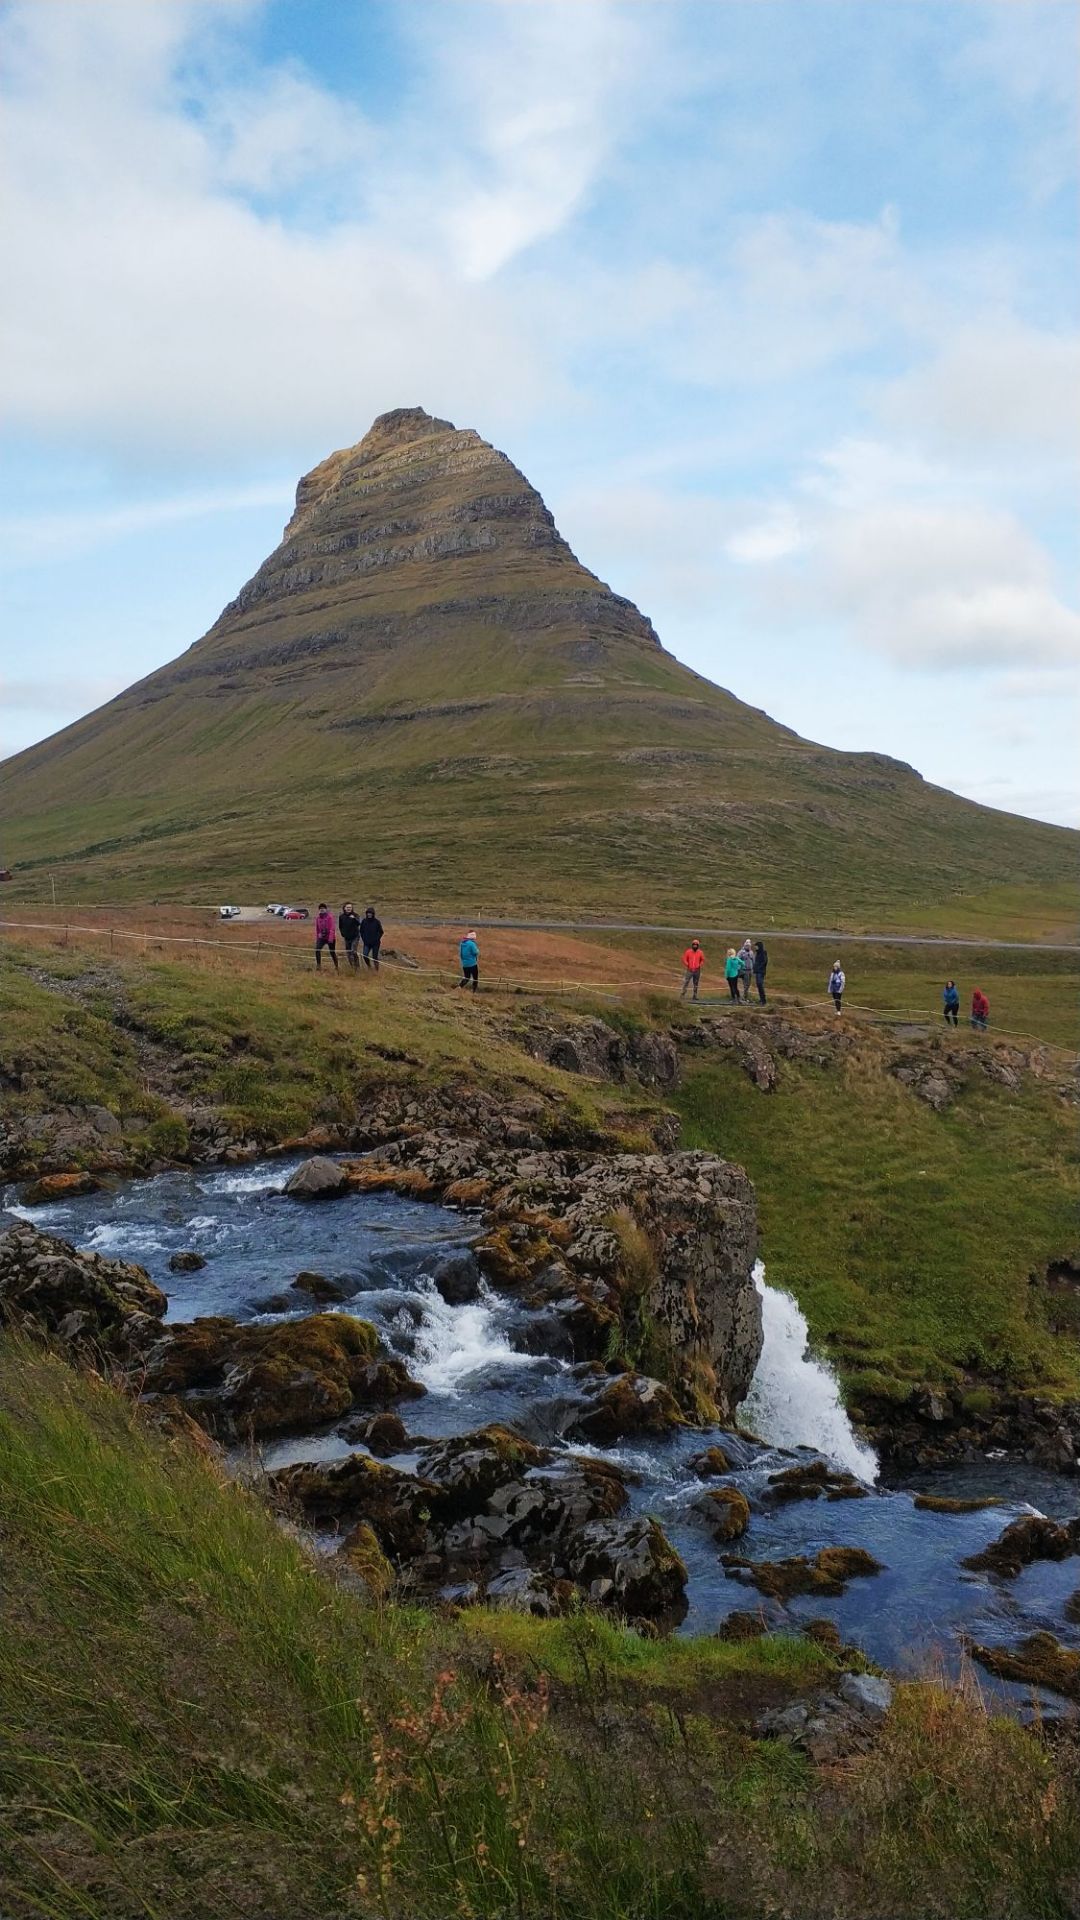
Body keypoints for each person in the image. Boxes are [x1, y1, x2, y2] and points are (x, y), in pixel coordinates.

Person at [314, 903, 338, 971]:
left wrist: (330, 938)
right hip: (322, 937)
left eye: (323, 908)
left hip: (330, 937)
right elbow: (317, 929)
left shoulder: (330, 917)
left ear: (326, 909)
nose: (322, 910)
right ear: (319, 910)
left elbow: (332, 928)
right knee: (317, 949)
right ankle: (318, 966)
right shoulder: (318, 918)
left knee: (332, 952)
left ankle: (336, 966)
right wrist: (318, 937)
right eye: (320, 909)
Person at [359, 906, 383, 970]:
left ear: (373, 914)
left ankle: (376, 970)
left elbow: (381, 932)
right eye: (368, 913)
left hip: (375, 943)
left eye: (370, 913)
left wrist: (377, 939)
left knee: (374, 957)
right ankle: (369, 966)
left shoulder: (377, 922)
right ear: (366, 914)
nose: (369, 914)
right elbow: (361, 931)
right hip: (367, 943)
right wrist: (364, 939)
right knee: (365, 955)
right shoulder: (364, 921)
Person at [339, 901, 361, 970]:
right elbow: (340, 926)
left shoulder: (356, 915)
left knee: (353, 951)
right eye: (347, 907)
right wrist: (342, 933)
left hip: (355, 936)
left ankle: (357, 966)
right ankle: (352, 967)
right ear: (344, 908)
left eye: (350, 907)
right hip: (347, 937)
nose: (349, 908)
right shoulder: (341, 916)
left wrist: (354, 919)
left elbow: (358, 924)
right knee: (348, 953)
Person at [753, 940, 768, 1005]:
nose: (755, 948)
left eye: (756, 946)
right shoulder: (757, 953)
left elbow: (764, 962)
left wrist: (758, 968)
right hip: (757, 971)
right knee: (758, 985)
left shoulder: (763, 953)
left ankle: (763, 1000)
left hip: (761, 972)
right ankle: (761, 999)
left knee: (760, 984)